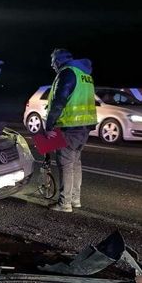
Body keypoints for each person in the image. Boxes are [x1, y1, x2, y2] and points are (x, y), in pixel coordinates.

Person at [44, 48, 98, 212]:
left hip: (70, 126)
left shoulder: (67, 73)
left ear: (59, 60)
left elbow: (59, 100)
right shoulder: (85, 74)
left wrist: (49, 126)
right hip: (84, 126)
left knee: (66, 164)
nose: (52, 65)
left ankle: (64, 203)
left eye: (53, 61)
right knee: (75, 163)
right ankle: (75, 199)